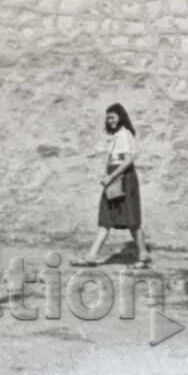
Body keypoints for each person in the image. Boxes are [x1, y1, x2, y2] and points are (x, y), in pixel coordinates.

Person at [72, 103, 152, 268]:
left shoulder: (125, 135)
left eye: (112, 117)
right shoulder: (116, 137)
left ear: (120, 117)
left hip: (124, 179)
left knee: (131, 218)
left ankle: (143, 255)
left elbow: (128, 160)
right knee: (106, 217)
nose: (110, 121)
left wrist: (111, 177)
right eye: (108, 118)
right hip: (114, 178)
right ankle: (91, 256)